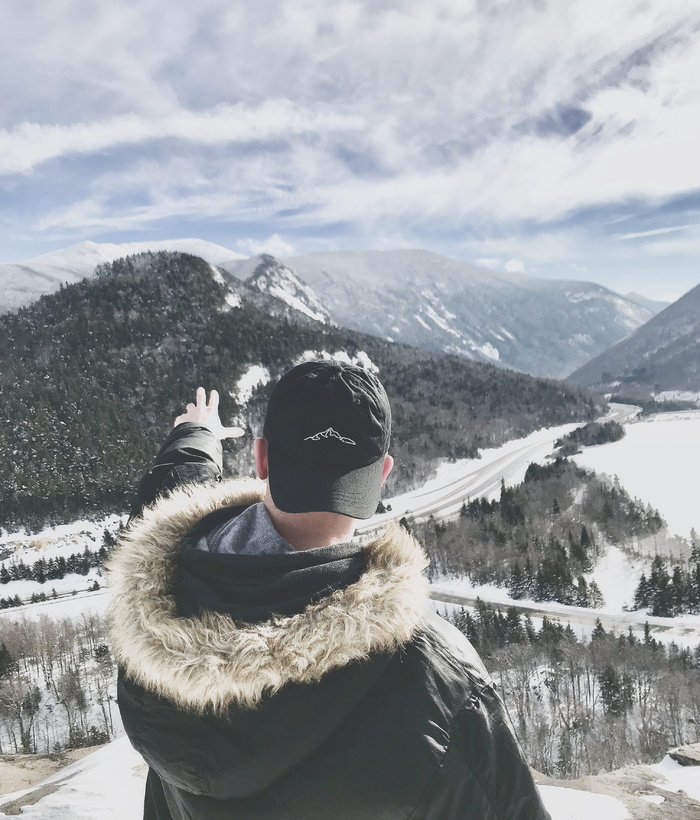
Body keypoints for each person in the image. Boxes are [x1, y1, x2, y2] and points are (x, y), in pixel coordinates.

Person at [108, 361, 551, 820]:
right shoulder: (437, 676)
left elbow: (167, 500)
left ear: (262, 459)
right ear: (382, 474)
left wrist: (196, 435)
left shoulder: (159, 589)